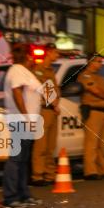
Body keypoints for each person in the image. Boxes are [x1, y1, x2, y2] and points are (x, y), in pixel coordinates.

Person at [2, 43, 43, 208]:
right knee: (16, 159)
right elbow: (17, 92)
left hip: (28, 121)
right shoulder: (17, 70)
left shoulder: (28, 73)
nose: (34, 59)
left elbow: (41, 93)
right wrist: (26, 116)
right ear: (28, 56)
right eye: (32, 56)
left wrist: (54, 104)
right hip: (20, 121)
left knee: (24, 160)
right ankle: (10, 198)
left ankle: (23, 195)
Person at [79, 55, 104, 180]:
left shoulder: (101, 78)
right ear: (91, 62)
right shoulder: (85, 75)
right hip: (93, 111)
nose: (101, 64)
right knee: (92, 143)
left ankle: (103, 169)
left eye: (101, 61)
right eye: (98, 61)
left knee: (102, 144)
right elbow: (95, 90)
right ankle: (90, 171)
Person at [31, 43, 61, 186]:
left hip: (52, 111)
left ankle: (50, 175)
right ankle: (38, 175)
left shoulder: (51, 70)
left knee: (50, 146)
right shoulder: (39, 69)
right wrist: (54, 103)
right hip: (43, 110)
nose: (57, 55)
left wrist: (55, 104)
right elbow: (42, 87)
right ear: (49, 52)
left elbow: (54, 90)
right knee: (41, 145)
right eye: (55, 52)